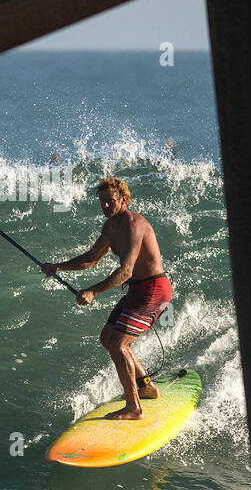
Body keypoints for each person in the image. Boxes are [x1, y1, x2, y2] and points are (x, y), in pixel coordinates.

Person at [41, 177, 172, 420]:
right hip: (137, 290)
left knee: (118, 344)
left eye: (110, 202)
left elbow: (126, 271)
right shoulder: (110, 228)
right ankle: (145, 386)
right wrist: (58, 267)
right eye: (102, 202)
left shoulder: (135, 224)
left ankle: (134, 408)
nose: (105, 207)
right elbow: (91, 258)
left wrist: (93, 291)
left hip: (154, 290)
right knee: (107, 338)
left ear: (123, 200)